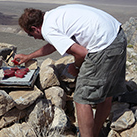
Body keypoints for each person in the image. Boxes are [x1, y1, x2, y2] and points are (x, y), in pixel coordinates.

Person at [14, 4, 127, 137]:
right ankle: (95, 133)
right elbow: (53, 45)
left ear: (35, 29)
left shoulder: (48, 30)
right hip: (117, 36)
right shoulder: (52, 16)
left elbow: (81, 53)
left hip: (103, 45)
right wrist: (29, 56)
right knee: (106, 94)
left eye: (30, 34)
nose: (34, 38)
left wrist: (76, 67)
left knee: (81, 100)